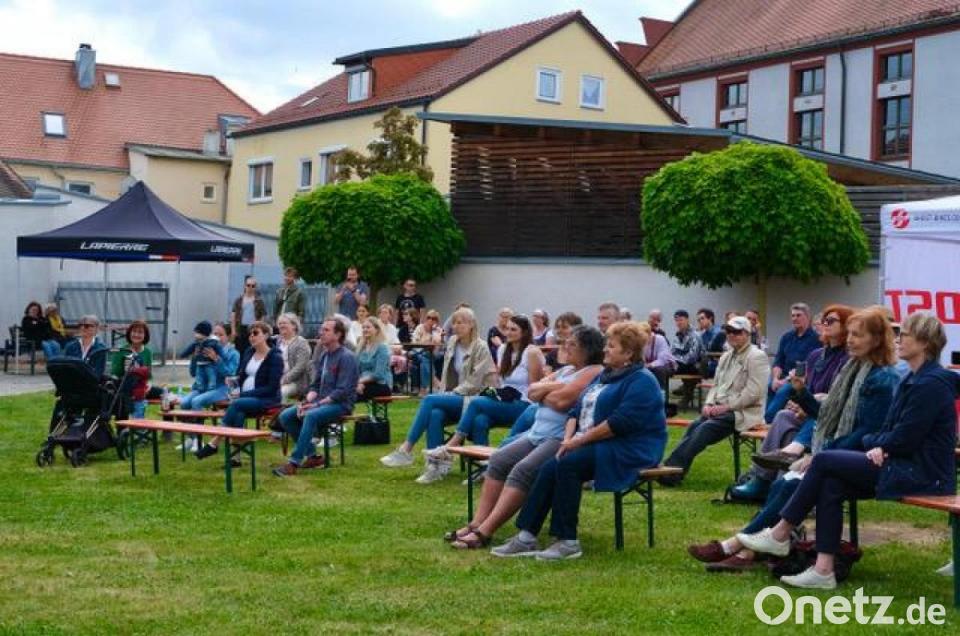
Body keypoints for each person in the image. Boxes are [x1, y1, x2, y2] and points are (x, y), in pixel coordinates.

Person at [734, 311, 955, 589]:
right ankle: (823, 570)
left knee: (824, 461)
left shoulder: (930, 384)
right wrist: (879, 444)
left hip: (923, 473)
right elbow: (891, 431)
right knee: (831, 483)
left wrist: (880, 445)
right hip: (902, 463)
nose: (899, 339)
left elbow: (905, 438)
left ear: (924, 343)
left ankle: (780, 534)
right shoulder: (912, 378)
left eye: (906, 335)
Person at [689, 306, 898, 573]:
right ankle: (748, 549)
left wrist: (821, 455)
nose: (850, 340)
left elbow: (866, 434)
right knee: (784, 482)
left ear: (877, 340)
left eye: (857, 335)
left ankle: (738, 546)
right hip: (836, 454)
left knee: (792, 482)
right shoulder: (854, 369)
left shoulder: (880, 378)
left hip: (857, 458)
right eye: (850, 334)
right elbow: (826, 416)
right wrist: (801, 393)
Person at [490, 321, 667, 560]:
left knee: (568, 465)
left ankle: (567, 541)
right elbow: (575, 411)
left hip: (629, 448)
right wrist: (567, 439)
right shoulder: (607, 375)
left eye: (612, 346)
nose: (605, 350)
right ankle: (527, 536)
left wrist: (579, 442)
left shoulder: (642, 381)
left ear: (628, 353)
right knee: (551, 464)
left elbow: (619, 423)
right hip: (597, 442)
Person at [445, 326, 605, 549]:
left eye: (572, 344)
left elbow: (563, 403)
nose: (565, 346)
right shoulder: (567, 371)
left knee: (523, 469)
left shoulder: (593, 370)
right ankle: (476, 523)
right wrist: (556, 387)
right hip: (537, 432)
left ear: (588, 349)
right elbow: (531, 390)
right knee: (499, 459)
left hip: (559, 437)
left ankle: (485, 531)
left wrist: (545, 392)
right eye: (566, 342)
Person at [733, 305, 853, 501]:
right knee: (783, 416)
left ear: (846, 326)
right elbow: (807, 387)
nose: (824, 324)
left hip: (831, 418)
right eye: (823, 320)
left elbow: (836, 400)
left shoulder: (848, 358)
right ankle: (762, 480)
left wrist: (808, 403)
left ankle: (776, 483)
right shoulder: (816, 355)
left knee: (805, 417)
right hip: (810, 412)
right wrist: (800, 404)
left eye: (831, 321)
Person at [423, 315, 545, 483]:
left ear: (524, 332)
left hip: (525, 404)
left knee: (475, 402)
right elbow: (500, 382)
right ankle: (485, 470)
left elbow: (535, 389)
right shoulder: (503, 350)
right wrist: (496, 392)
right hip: (505, 400)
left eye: (513, 329)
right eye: (507, 328)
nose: (508, 332)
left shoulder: (531, 352)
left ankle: (451, 445)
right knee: (480, 420)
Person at [380, 307, 497, 472]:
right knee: (435, 414)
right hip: (455, 397)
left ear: (471, 324)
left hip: (474, 398)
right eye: (454, 322)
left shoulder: (481, 347)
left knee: (429, 399)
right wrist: (446, 394)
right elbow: (445, 373)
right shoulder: (452, 343)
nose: (456, 326)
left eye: (460, 322)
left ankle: (406, 448)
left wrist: (451, 394)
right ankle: (435, 467)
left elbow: (475, 382)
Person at [661, 316, 769, 485]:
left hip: (745, 413)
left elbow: (754, 393)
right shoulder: (726, 356)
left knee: (705, 429)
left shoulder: (757, 357)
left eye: (737, 332)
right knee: (695, 426)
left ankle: (669, 471)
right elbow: (716, 385)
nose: (732, 335)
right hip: (722, 409)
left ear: (747, 334)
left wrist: (726, 407)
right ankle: (673, 471)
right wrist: (708, 404)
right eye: (729, 331)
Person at [273, 318, 359, 476]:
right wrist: (306, 402)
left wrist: (315, 406)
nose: (321, 333)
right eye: (321, 329)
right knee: (286, 416)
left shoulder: (347, 357)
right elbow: (315, 385)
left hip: (340, 404)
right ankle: (313, 456)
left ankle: (294, 463)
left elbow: (342, 391)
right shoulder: (325, 356)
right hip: (322, 402)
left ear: (338, 334)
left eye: (326, 330)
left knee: (310, 415)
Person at [196, 321, 282, 462]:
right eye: (250, 334)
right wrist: (232, 382)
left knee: (237, 404)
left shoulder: (275, 357)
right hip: (244, 399)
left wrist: (242, 395)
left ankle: (215, 442)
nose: (251, 337)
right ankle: (235, 459)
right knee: (239, 411)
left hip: (267, 399)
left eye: (255, 333)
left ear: (266, 335)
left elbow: (271, 388)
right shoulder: (249, 352)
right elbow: (241, 375)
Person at [769, 303, 820, 396]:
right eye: (792, 316)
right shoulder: (786, 337)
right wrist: (775, 379)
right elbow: (778, 361)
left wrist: (785, 381)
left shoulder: (816, 339)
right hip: (781, 378)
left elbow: (808, 367)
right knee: (768, 386)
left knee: (783, 391)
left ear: (808, 317)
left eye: (798, 315)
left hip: (798, 380)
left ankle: (770, 411)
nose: (794, 318)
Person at [110, 320, 153, 419]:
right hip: (124, 385)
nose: (136, 335)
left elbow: (149, 375)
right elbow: (115, 374)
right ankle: (124, 428)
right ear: (129, 333)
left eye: (140, 332)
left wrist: (149, 385)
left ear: (145, 335)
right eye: (134, 331)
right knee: (126, 393)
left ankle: (167, 431)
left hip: (142, 385)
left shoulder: (147, 352)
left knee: (164, 393)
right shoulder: (121, 350)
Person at [179, 321, 225, 394]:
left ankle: (211, 388)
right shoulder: (196, 343)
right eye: (215, 334)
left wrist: (216, 358)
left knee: (211, 375)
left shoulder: (213, 343)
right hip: (200, 364)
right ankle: (200, 388)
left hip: (209, 364)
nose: (195, 335)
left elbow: (227, 371)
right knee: (199, 376)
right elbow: (193, 373)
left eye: (221, 335)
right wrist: (193, 356)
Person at [670, 309, 705, 406]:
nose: (678, 322)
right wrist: (675, 360)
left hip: (694, 366)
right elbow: (672, 352)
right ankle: (685, 393)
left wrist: (677, 360)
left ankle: (686, 394)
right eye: (676, 320)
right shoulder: (677, 335)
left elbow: (692, 357)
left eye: (681, 320)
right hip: (680, 364)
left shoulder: (695, 335)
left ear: (687, 320)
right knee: (665, 367)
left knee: (673, 367)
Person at [276, 313, 312, 400]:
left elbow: (300, 367)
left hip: (295, 382)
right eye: (280, 324)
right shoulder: (278, 341)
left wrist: (284, 380)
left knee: (280, 392)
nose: (281, 325)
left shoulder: (301, 342)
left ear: (294, 326)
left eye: (284, 323)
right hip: (278, 379)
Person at [356, 316, 393, 401]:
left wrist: (360, 381)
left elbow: (378, 375)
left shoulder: (382, 348)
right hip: (363, 383)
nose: (365, 329)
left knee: (349, 394)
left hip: (381, 385)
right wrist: (358, 383)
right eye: (363, 327)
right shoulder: (361, 348)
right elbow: (357, 370)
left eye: (368, 327)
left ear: (377, 330)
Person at [409, 309, 443, 396]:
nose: (430, 320)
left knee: (426, 357)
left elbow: (437, 342)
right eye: (429, 318)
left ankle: (424, 389)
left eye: (433, 319)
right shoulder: (419, 328)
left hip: (434, 353)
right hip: (418, 352)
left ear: (437, 321)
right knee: (424, 358)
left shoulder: (438, 330)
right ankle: (434, 383)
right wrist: (426, 339)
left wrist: (434, 331)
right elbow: (414, 342)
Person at [231, 275, 267, 359]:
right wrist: (233, 330)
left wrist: (260, 329)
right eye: (248, 285)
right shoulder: (239, 300)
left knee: (252, 350)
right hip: (241, 328)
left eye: (253, 286)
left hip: (253, 329)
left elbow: (263, 316)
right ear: (245, 286)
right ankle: (240, 371)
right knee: (239, 351)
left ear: (255, 287)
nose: (250, 287)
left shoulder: (259, 301)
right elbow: (233, 315)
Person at [638, 321, 675, 393]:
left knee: (658, 369)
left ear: (649, 333)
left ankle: (661, 392)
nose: (641, 339)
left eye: (642, 336)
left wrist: (649, 365)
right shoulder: (641, 342)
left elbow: (662, 360)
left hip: (667, 365)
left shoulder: (660, 339)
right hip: (650, 366)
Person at [697, 308, 726, 378]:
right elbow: (702, 349)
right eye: (698, 320)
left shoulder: (719, 332)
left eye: (702, 318)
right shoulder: (703, 334)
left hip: (719, 361)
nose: (700, 321)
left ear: (710, 318)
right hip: (708, 360)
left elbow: (712, 349)